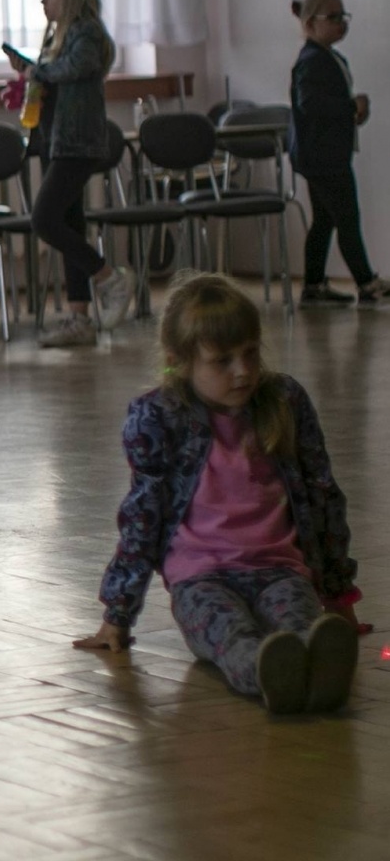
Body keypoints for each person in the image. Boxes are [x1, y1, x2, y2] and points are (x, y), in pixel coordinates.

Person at [74, 273, 362, 714]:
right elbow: (141, 519)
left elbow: (323, 497)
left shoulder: (284, 401)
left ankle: (323, 676)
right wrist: (118, 612)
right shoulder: (159, 418)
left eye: (250, 353)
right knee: (232, 638)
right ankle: (270, 676)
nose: (243, 370)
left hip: (281, 571)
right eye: (222, 360)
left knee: (302, 626)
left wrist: (338, 597)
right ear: (179, 362)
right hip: (200, 580)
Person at [4, 0, 135, 347]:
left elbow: (75, 68)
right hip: (55, 140)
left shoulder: (87, 34)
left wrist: (37, 72)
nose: (44, 1)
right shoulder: (57, 36)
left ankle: (109, 277)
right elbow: (52, 74)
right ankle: (79, 316)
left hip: (77, 141)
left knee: (44, 218)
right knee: (69, 223)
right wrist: (30, 71)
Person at [287, 0, 389, 306]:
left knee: (325, 220)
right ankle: (367, 284)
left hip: (323, 154)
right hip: (322, 157)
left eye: (343, 16)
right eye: (332, 17)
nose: (341, 24)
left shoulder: (328, 58)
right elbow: (310, 103)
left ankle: (314, 286)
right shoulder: (311, 61)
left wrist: (354, 112)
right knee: (346, 216)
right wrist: (350, 107)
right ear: (310, 23)